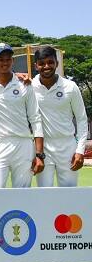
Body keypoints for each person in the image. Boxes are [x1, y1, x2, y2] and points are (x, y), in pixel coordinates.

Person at [0, 42, 44, 188]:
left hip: (23, 144)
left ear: (13, 61)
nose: (4, 63)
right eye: (0, 59)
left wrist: (39, 155)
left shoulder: (25, 84)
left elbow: (35, 119)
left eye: (8, 59)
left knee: (22, 196)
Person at [31, 46, 88, 187]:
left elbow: (81, 119)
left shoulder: (70, 87)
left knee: (69, 195)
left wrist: (80, 150)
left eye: (50, 62)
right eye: (42, 63)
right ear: (36, 65)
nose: (46, 66)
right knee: (44, 195)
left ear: (57, 63)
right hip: (42, 149)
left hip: (67, 147)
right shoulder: (29, 86)